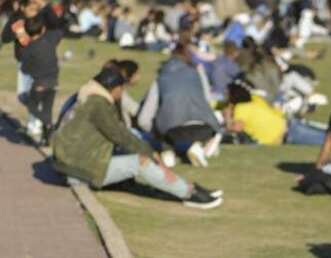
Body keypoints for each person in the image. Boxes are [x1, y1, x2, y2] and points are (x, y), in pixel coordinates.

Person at [52, 68, 222, 210]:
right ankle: (189, 192)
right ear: (117, 88)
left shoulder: (85, 96)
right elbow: (121, 136)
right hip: (79, 170)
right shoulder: (99, 104)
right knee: (141, 162)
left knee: (126, 151)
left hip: (67, 164)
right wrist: (152, 155)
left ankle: (176, 185)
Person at [137, 44, 222, 166]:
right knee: (213, 121)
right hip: (203, 127)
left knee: (165, 129)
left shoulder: (160, 80)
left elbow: (144, 119)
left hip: (171, 132)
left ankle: (168, 151)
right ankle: (198, 146)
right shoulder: (198, 74)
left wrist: (157, 133)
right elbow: (208, 100)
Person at [223, 78, 327, 147]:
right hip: (288, 124)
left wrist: (227, 118)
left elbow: (236, 128)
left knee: (327, 141)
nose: (226, 95)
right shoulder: (255, 99)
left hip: (287, 133)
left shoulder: (240, 108)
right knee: (328, 136)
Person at [13, 13, 63, 145]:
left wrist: (20, 38)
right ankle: (46, 139)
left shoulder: (28, 48)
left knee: (32, 107)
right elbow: (58, 31)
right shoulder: (50, 38)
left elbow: (24, 69)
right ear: (43, 29)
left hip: (40, 82)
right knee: (48, 108)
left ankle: (49, 125)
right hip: (54, 81)